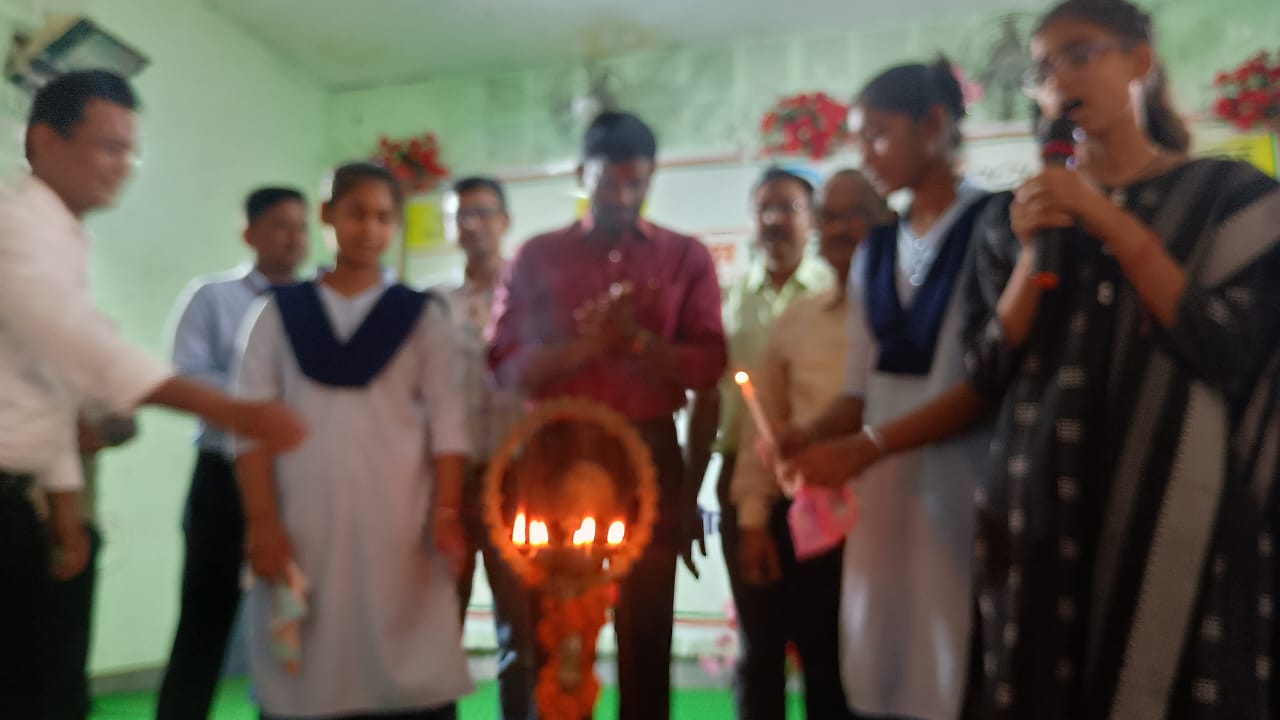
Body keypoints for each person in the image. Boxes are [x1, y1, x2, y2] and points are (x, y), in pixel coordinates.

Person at [958, 1, 1280, 715]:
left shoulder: (1232, 201)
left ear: (1140, 61)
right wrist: (1029, 255)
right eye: (1043, 69)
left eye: (1079, 54)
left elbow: (1228, 346)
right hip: (1038, 507)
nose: (1059, 80)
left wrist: (1104, 215)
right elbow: (984, 370)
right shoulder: (1009, 216)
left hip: (1178, 510)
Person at [0, 69, 304, 718]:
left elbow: (48, 387)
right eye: (108, 146)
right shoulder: (14, 227)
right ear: (44, 141)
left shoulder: (67, 238)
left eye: (130, 152)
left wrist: (64, 506)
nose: (122, 166)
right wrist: (233, 409)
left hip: (31, 496)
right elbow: (85, 350)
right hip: (207, 470)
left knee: (52, 690)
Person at [489, 111, 727, 720]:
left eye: (634, 183)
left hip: (649, 449)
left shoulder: (684, 257)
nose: (620, 197)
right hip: (553, 451)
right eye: (606, 183)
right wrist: (588, 346)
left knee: (647, 623)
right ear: (581, 175)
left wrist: (639, 342)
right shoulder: (537, 257)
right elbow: (505, 366)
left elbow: (707, 366)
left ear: (651, 178)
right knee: (552, 620)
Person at [783, 58, 997, 720]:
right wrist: (809, 434)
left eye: (878, 133)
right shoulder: (877, 249)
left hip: (967, 486)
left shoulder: (995, 226)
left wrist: (865, 447)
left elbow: (989, 384)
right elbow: (860, 387)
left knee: (955, 654)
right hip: (883, 493)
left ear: (933, 123)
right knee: (882, 658)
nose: (866, 153)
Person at [234, 162, 472, 720]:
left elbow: (448, 425)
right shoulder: (276, 314)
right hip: (302, 518)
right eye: (356, 213)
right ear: (328, 215)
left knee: (405, 657)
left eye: (384, 218)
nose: (370, 229)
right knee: (311, 664)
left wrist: (446, 512)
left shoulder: (421, 317)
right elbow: (250, 425)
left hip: (401, 520)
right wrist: (263, 521)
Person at [730, 169, 887, 720]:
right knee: (821, 671)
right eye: (830, 218)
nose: (840, 229)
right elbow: (763, 427)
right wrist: (753, 520)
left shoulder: (911, 315)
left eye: (856, 215)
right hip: (815, 524)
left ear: (887, 221)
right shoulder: (797, 319)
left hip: (895, 521)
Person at [158, 187, 309, 719]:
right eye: (280, 226)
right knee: (205, 614)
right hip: (223, 476)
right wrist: (259, 402)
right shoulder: (212, 297)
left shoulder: (319, 303)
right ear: (249, 233)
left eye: (301, 227)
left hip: (296, 480)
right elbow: (187, 375)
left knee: (296, 616)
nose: (294, 238)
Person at [698, 165, 832, 718]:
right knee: (760, 638)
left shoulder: (833, 292)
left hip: (820, 476)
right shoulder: (728, 300)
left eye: (789, 207)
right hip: (742, 477)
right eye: (764, 208)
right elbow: (708, 397)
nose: (775, 219)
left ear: (812, 219)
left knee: (823, 638)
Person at [440, 176, 532, 720]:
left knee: (520, 626)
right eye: (461, 215)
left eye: (482, 213)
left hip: (515, 479)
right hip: (448, 481)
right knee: (437, 626)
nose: (471, 225)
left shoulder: (532, 299)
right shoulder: (432, 303)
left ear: (505, 221)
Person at [39, 410, 137, 720]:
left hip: (75, 524)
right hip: (21, 522)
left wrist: (80, 433)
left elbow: (125, 426)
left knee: (66, 659)